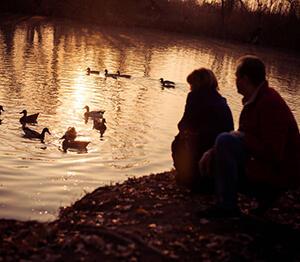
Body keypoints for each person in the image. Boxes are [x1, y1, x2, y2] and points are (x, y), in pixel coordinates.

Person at [199, 55, 300, 217]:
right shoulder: (255, 100)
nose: (235, 81)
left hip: (282, 171)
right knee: (222, 145)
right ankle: (234, 201)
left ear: (245, 78)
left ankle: (228, 206)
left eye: (236, 77)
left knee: (225, 141)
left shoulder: (270, 103)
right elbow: (244, 134)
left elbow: (274, 152)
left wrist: (238, 141)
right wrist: (213, 150)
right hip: (268, 165)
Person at [172, 68, 234, 191]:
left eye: (191, 84)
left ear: (197, 84)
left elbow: (186, 122)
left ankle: (189, 176)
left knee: (177, 142)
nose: (190, 88)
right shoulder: (220, 100)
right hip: (222, 144)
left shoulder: (195, 96)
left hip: (204, 142)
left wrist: (182, 131)